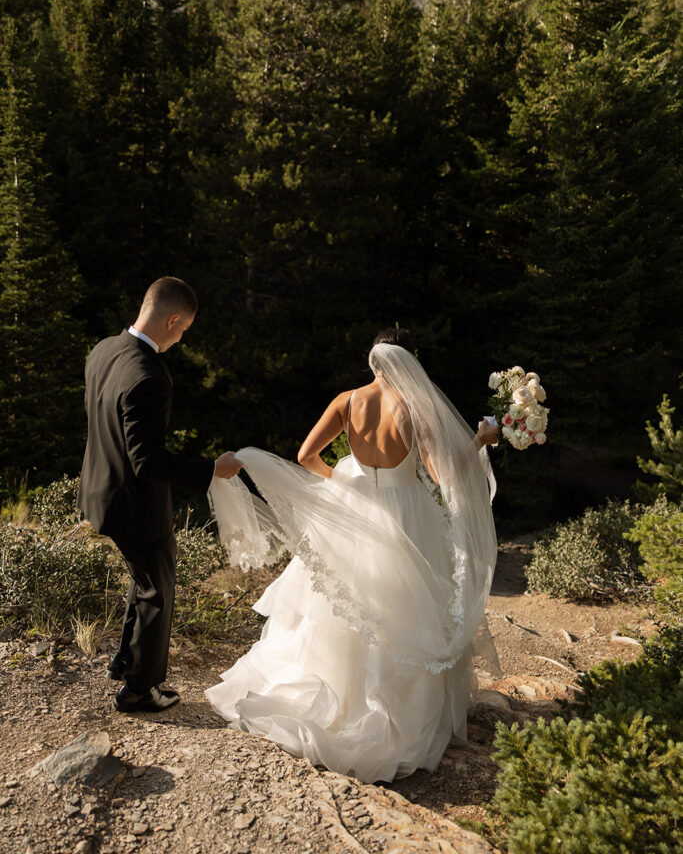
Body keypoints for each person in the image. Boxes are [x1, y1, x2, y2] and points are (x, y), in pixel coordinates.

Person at [204, 328, 500, 782]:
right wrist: (480, 442)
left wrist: (340, 482)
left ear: (373, 361)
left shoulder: (347, 400)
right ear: (406, 362)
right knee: (404, 605)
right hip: (405, 510)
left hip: (353, 500)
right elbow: (443, 478)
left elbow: (306, 455)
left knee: (337, 605)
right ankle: (389, 708)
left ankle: (333, 695)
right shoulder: (414, 409)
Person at [78, 277, 241, 713]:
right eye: (183, 329)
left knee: (142, 578)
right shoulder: (149, 375)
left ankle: (125, 660)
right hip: (134, 507)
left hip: (99, 491)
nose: (181, 338)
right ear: (171, 319)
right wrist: (212, 470)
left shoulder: (104, 350)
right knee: (156, 590)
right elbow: (147, 462)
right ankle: (139, 689)